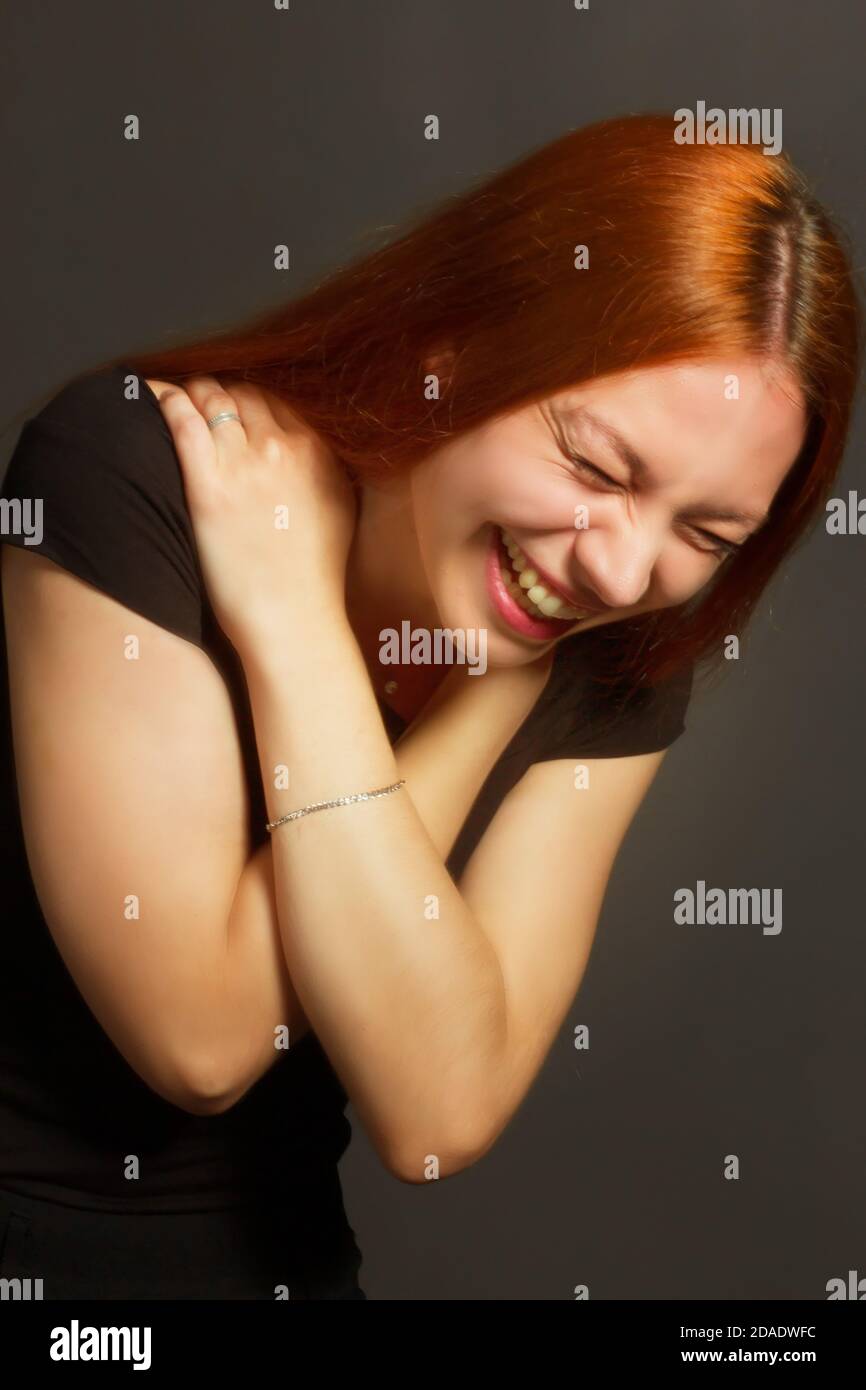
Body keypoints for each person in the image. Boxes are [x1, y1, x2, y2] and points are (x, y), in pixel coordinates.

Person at [0, 113, 859, 1299]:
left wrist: (325, 639)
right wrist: (302, 621)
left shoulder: (614, 649)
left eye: (706, 534)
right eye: (597, 470)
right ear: (454, 343)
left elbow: (437, 1110)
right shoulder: (141, 467)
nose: (616, 571)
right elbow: (197, 1040)